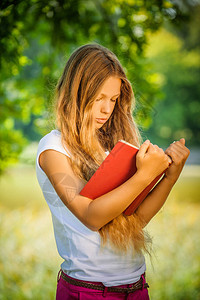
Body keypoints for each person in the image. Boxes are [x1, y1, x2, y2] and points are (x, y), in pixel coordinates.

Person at [36, 44, 190, 300]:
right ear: (77, 94)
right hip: (89, 292)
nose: (107, 109)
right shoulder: (53, 149)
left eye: (113, 99)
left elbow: (136, 220)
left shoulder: (111, 147)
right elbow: (91, 216)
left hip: (136, 287)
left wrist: (169, 176)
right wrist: (142, 176)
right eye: (98, 98)